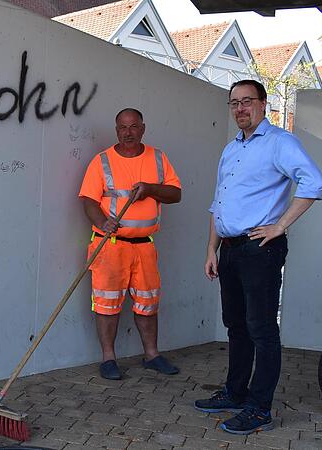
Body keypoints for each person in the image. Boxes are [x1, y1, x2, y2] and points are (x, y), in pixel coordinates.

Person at [195, 79, 322, 435]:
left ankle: (259, 408)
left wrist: (280, 225)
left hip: (260, 250)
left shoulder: (280, 143)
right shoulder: (231, 149)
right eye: (234, 103)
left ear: (263, 104)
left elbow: (313, 182)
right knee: (236, 326)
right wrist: (212, 248)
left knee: (262, 330)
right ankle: (235, 392)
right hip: (231, 250)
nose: (240, 108)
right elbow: (218, 202)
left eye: (247, 101)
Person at [78, 108, 182, 381]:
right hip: (110, 244)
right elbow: (88, 200)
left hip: (144, 245)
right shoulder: (101, 162)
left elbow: (175, 194)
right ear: (116, 130)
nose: (128, 132)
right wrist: (103, 222)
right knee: (107, 305)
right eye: (123, 127)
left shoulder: (158, 158)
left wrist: (150, 189)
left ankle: (152, 355)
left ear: (143, 128)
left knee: (148, 303)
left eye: (133, 127)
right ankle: (109, 359)